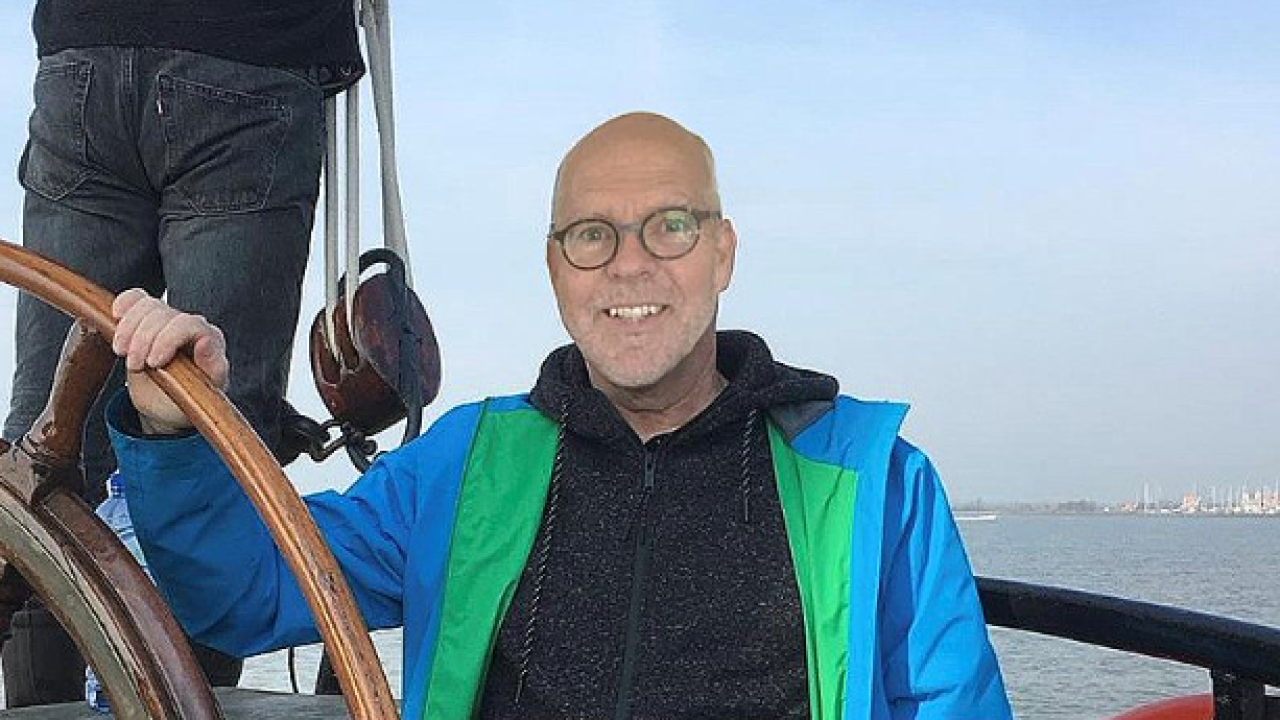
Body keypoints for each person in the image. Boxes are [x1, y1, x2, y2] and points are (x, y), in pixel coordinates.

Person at [107, 112, 1012, 719]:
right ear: (554, 269)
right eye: (591, 235)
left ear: (723, 253)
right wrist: (171, 431)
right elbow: (242, 592)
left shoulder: (877, 485)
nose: (630, 264)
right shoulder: (464, 466)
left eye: (670, 226)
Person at [1, 0, 363, 706]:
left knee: (45, 446)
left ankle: (42, 710)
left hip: (83, 55)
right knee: (214, 432)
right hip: (252, 56)